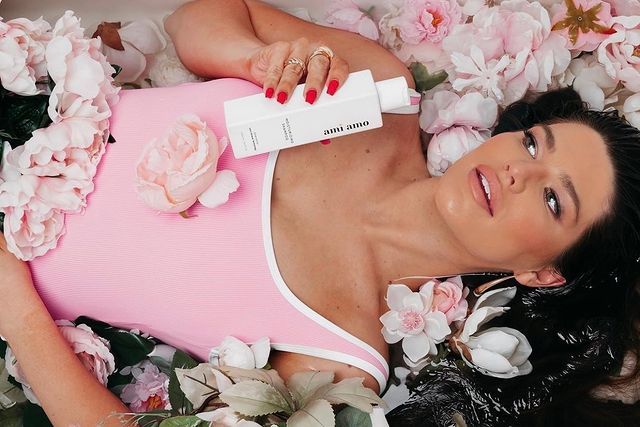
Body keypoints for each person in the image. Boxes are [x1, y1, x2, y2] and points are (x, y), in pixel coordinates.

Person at [0, 0, 638, 425]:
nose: (519, 172)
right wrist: (250, 58)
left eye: (553, 199)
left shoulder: (341, 359)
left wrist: (20, 314)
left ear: (544, 273)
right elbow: (199, 16)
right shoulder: (382, 92)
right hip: (22, 90)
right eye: (533, 144)